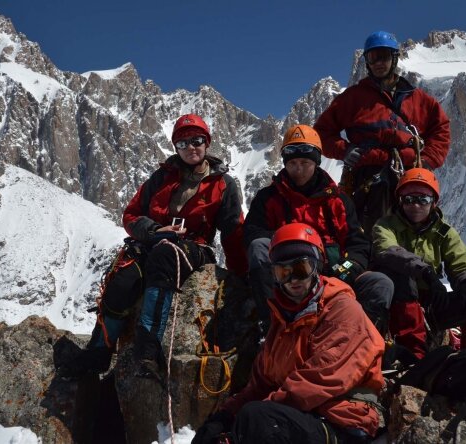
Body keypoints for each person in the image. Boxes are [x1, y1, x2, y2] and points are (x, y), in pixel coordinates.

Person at [60, 114, 247, 379]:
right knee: (122, 280)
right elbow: (131, 216)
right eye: (183, 143)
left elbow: (232, 232)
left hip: (194, 247)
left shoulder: (223, 184)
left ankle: (147, 350)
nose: (191, 147)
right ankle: (98, 353)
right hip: (153, 241)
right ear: (175, 148)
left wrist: (242, 275)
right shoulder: (161, 177)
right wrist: (155, 230)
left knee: (164, 255)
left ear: (207, 143)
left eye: (196, 141)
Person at [192, 223, 385, 444]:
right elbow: (259, 386)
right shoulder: (282, 321)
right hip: (300, 416)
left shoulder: (342, 310)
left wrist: (257, 412)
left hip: (343, 424)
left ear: (316, 267)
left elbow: (320, 380)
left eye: (301, 269)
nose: (293, 279)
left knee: (258, 419)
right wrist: (224, 417)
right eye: (283, 272)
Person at [244, 124, 393, 335]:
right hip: (287, 280)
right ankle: (273, 332)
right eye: (293, 163)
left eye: (305, 163)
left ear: (316, 162)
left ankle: (359, 343)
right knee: (259, 247)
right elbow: (253, 233)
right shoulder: (268, 198)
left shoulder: (338, 200)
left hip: (332, 278)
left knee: (380, 284)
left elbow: (358, 244)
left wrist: (347, 268)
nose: (298, 169)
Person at [314, 31, 450, 236]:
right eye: (372, 57)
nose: (378, 63)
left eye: (384, 56)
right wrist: (345, 150)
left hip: (409, 172)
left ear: (394, 58)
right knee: (371, 233)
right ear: (367, 62)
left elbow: (441, 128)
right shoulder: (352, 98)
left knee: (419, 226)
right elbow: (321, 133)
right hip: (367, 177)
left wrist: (428, 160)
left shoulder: (418, 99)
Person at [372, 167, 466, 360]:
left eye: (423, 199)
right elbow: (387, 251)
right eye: (408, 199)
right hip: (398, 304)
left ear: (434, 202)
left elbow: (462, 265)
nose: (416, 205)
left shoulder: (444, 232)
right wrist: (425, 272)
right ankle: (413, 358)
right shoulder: (385, 225)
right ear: (400, 201)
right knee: (401, 278)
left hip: (432, 302)